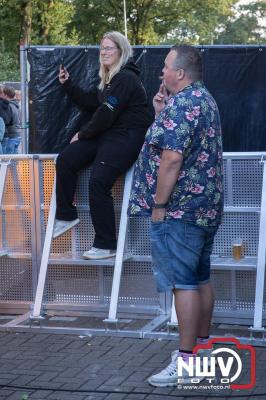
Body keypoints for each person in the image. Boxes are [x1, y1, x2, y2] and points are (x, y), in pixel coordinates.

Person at [128, 44, 223, 387]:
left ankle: (186, 361)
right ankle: (202, 348)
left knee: (183, 282)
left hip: (180, 209)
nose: (161, 72)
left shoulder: (183, 104)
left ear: (180, 73)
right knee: (199, 277)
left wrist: (158, 205)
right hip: (205, 206)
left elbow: (171, 159)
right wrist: (159, 113)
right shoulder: (203, 99)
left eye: (166, 67)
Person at [53, 31, 151, 260]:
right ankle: (66, 215)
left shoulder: (126, 78)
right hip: (108, 134)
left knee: (99, 180)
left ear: (121, 51)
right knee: (66, 158)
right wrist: (68, 85)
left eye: (109, 48)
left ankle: (106, 244)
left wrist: (83, 133)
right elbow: (92, 104)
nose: (104, 52)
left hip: (127, 136)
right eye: (102, 48)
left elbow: (106, 113)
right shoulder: (110, 79)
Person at [0, 85, 21, 154]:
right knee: (13, 161)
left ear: (5, 95)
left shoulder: (8, 106)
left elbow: (7, 121)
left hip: (11, 136)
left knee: (7, 161)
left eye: (2, 93)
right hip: (16, 135)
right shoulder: (16, 105)